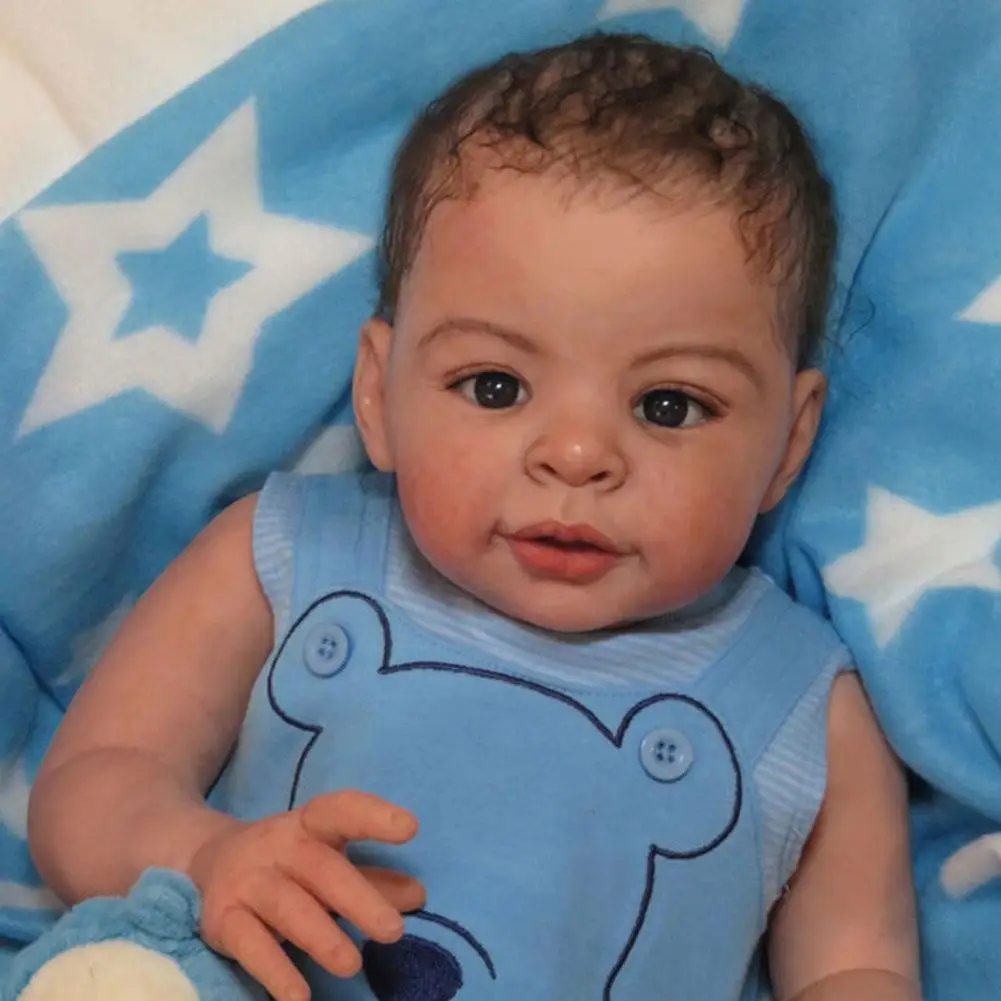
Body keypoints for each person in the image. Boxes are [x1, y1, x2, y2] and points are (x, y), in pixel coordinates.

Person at [26, 32, 920, 1001]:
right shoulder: (281, 558)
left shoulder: (801, 703)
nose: (574, 455)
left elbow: (855, 964)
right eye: (494, 385)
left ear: (786, 443)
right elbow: (97, 777)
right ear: (379, 394)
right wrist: (201, 857)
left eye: (668, 405)